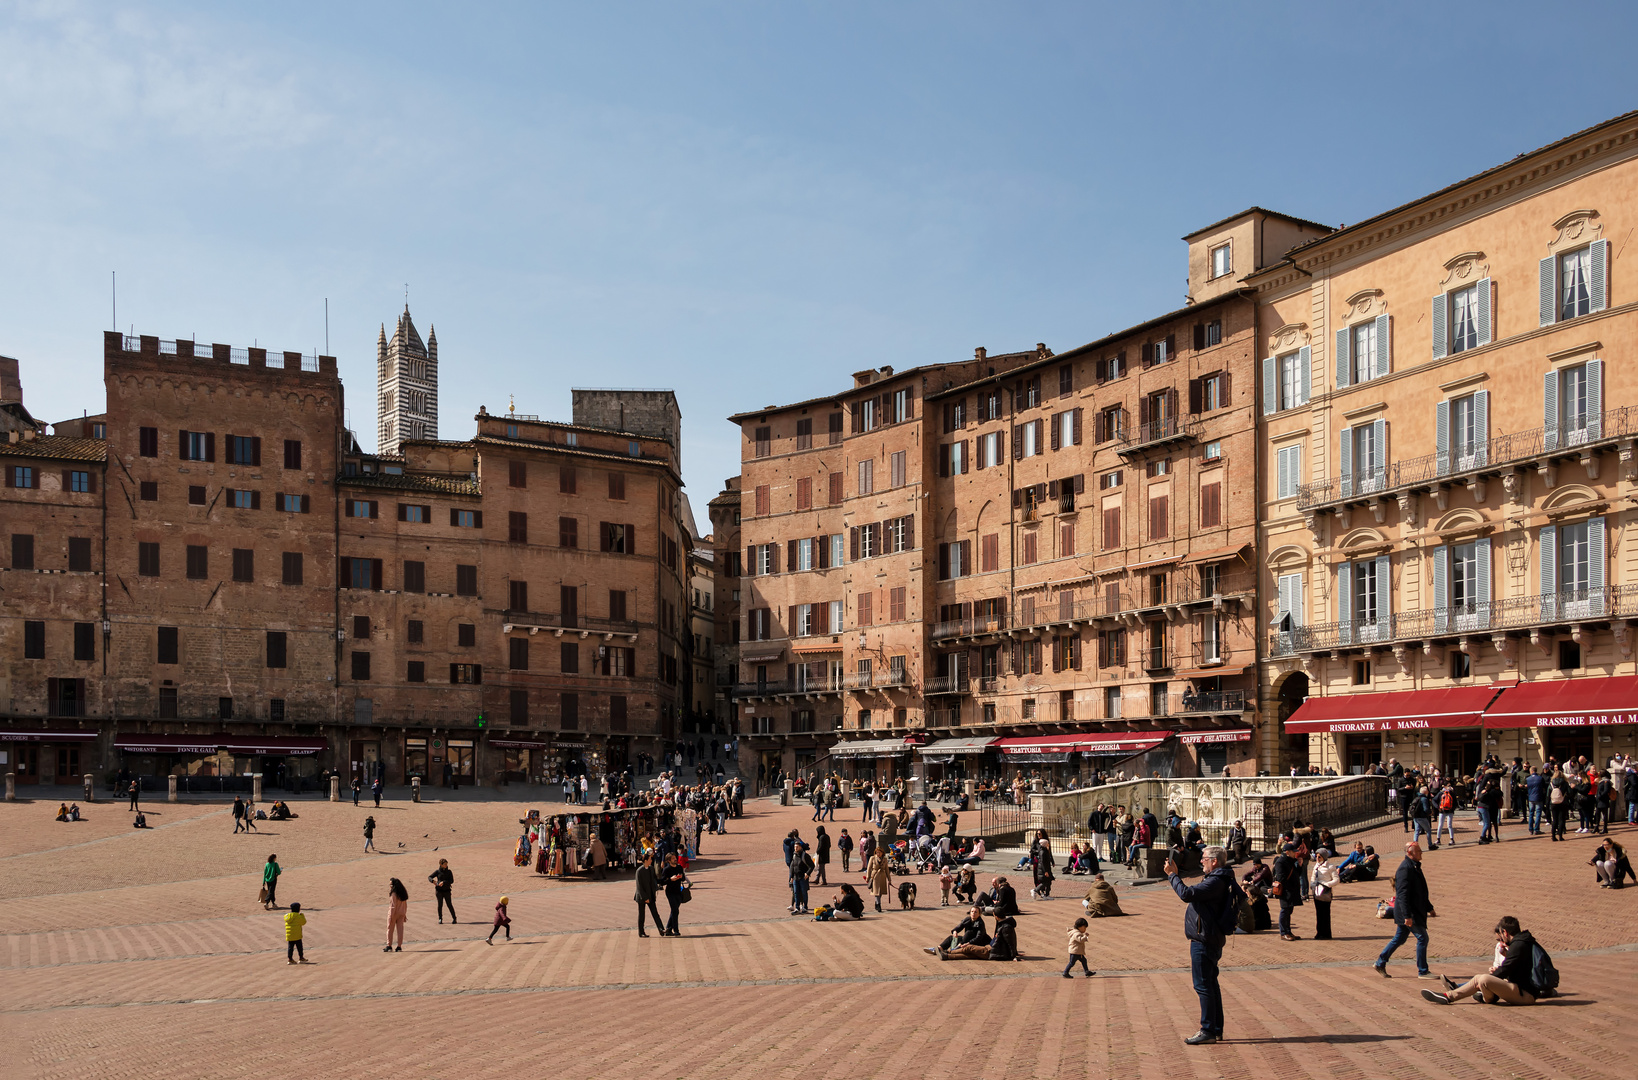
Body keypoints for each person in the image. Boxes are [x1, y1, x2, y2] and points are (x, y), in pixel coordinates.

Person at [1164, 845, 1239, 1045]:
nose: (1201, 861)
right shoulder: (1220, 878)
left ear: (1214, 861)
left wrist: (1173, 875)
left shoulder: (1216, 881)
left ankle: (1208, 1029)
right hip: (1209, 937)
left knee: (1203, 986)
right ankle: (1215, 1029)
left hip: (1205, 939)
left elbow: (1186, 894)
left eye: (1204, 858)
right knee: (1210, 985)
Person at [1422, 917, 1539, 1005]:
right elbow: (1517, 966)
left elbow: (1507, 969)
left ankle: (1485, 995)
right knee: (1480, 978)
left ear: (1505, 932)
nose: (1501, 939)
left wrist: (1492, 976)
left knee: (1483, 979)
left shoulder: (1519, 945)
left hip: (1525, 994)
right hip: (1519, 989)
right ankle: (1448, 996)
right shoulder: (1522, 942)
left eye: (1501, 935)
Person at [1374, 841, 1435, 979]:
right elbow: (1402, 895)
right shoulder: (1405, 868)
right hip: (1408, 913)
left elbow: (1420, 891)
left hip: (1409, 912)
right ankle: (1423, 971)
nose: (1421, 852)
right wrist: (1407, 916)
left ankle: (1380, 962)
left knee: (1399, 938)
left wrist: (1429, 907)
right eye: (1418, 850)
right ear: (1409, 852)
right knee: (1422, 937)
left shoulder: (1414, 866)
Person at [1271, 842, 1303, 940]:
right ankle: (1283, 932)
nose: (1295, 853)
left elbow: (1297, 874)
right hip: (1286, 891)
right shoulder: (1281, 862)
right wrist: (1289, 887)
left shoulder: (1291, 860)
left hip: (1292, 890)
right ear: (1288, 852)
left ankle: (1288, 931)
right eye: (1294, 852)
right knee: (1285, 911)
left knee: (1289, 911)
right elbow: (1281, 878)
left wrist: (1300, 865)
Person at [1311, 849, 1338, 940]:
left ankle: (1326, 933)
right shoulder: (1316, 866)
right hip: (1317, 892)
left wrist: (1327, 885)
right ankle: (1319, 932)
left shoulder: (1330, 867)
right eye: (1316, 856)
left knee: (1325, 913)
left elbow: (1336, 879)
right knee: (1319, 913)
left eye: (1319, 857)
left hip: (1325, 892)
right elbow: (1313, 877)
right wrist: (1312, 885)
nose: (1317, 858)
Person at [660, 852, 690, 935]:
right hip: (670, 892)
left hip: (678, 891)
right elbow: (662, 882)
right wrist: (670, 879)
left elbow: (683, 878)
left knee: (674, 911)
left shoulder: (679, 867)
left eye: (675, 858)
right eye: (673, 858)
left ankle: (669, 929)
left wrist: (680, 877)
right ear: (669, 860)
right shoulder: (666, 869)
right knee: (675, 911)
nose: (675, 859)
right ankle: (676, 930)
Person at [634, 853, 663, 937]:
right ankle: (641, 932)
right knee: (642, 914)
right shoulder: (639, 871)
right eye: (650, 859)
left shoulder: (651, 869)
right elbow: (639, 886)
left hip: (650, 895)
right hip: (642, 896)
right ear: (646, 860)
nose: (651, 860)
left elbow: (655, 880)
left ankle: (661, 929)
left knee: (655, 913)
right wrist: (645, 898)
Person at [429, 859, 456, 924]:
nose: (446, 865)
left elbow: (451, 881)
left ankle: (454, 918)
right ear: (441, 864)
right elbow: (429, 877)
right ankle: (440, 918)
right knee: (440, 905)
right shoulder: (437, 871)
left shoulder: (449, 872)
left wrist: (444, 882)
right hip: (439, 891)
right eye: (445, 864)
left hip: (447, 890)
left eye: (447, 864)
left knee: (449, 904)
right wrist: (433, 881)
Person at [385, 878, 408, 952]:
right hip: (401, 913)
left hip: (394, 914)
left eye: (391, 885)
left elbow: (392, 906)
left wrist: (390, 916)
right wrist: (404, 914)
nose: (390, 886)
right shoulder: (402, 894)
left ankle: (389, 945)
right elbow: (405, 905)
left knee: (390, 929)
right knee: (400, 930)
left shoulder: (394, 894)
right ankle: (399, 946)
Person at [866, 846, 891, 912]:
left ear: (882, 853)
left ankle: (876, 903)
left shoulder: (885, 859)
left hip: (882, 876)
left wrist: (889, 879)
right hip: (875, 876)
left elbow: (887, 869)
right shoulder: (873, 858)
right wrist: (867, 877)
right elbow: (869, 868)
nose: (878, 854)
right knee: (877, 892)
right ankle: (878, 904)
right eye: (877, 852)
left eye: (879, 852)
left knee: (881, 891)